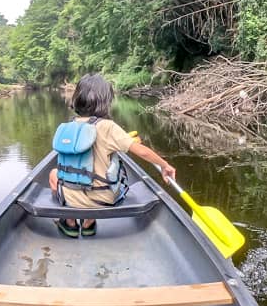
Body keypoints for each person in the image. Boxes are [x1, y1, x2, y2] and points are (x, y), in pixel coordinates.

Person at [49, 73, 177, 237]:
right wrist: (164, 165)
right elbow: (143, 151)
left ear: (78, 98)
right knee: (106, 173)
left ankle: (70, 223)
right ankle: (88, 224)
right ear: (105, 101)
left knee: (54, 174)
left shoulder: (68, 127)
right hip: (103, 200)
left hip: (71, 197)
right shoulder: (108, 127)